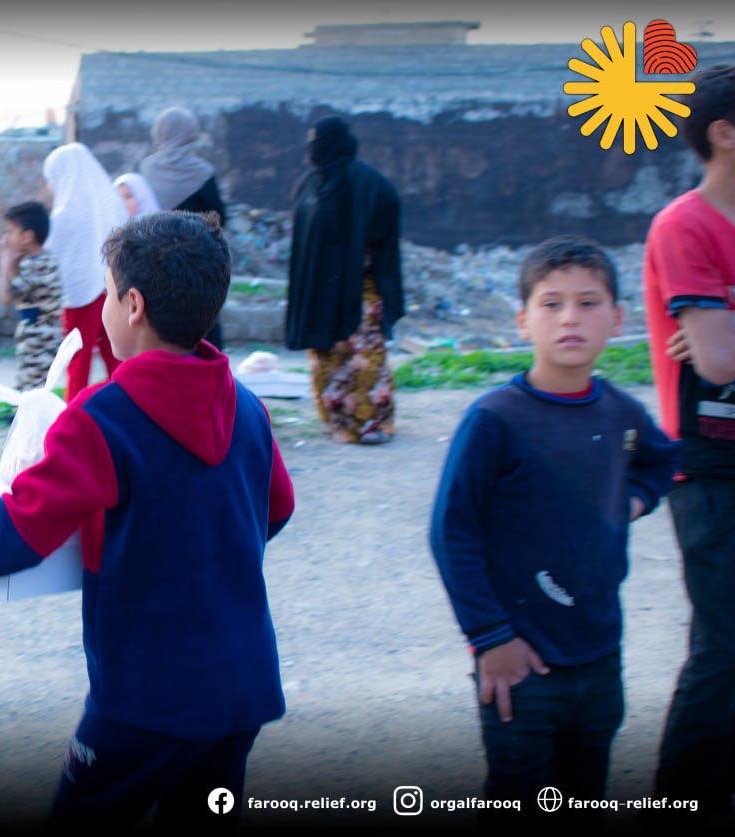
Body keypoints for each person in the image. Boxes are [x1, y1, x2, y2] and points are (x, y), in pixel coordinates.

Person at [0, 211, 295, 828]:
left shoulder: (101, 418)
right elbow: (277, 508)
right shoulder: (248, 408)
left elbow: (20, 529)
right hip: (241, 690)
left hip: (145, 701)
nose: (104, 306)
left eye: (108, 292)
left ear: (133, 306)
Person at [429, 236, 677, 822]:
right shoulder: (495, 420)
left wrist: (632, 501)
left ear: (617, 320)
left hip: (599, 654)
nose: (570, 318)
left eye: (588, 303)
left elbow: (661, 459)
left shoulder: (620, 411)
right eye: (551, 304)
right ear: (523, 321)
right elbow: (451, 532)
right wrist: (490, 638)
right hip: (521, 660)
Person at [642, 63, 735, 821]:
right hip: (711, 466)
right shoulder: (685, 226)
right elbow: (719, 360)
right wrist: (720, 333)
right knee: (726, 648)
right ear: (724, 134)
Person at [285, 116, 403, 445]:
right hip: (321, 289)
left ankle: (370, 424)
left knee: (364, 354)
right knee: (327, 355)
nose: (313, 148)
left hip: (359, 286)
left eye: (318, 141)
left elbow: (387, 216)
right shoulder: (310, 185)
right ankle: (339, 423)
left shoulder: (367, 184)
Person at [43, 143, 127, 401]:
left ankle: (75, 413)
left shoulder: (61, 215)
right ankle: (127, 407)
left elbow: (49, 255)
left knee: (78, 360)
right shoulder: (112, 203)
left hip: (79, 295)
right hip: (115, 289)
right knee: (116, 357)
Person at [140, 107, 227, 349]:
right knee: (202, 325)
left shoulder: (145, 170)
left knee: (159, 326)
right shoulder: (202, 173)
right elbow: (220, 218)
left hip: (155, 264)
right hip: (197, 263)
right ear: (190, 133)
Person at [0, 201, 63, 391]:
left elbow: (6, 297)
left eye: (10, 232)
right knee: (32, 388)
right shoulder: (46, 259)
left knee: (30, 391)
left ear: (27, 237)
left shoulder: (34, 265)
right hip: (44, 338)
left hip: (38, 342)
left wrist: (5, 261)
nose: (6, 239)